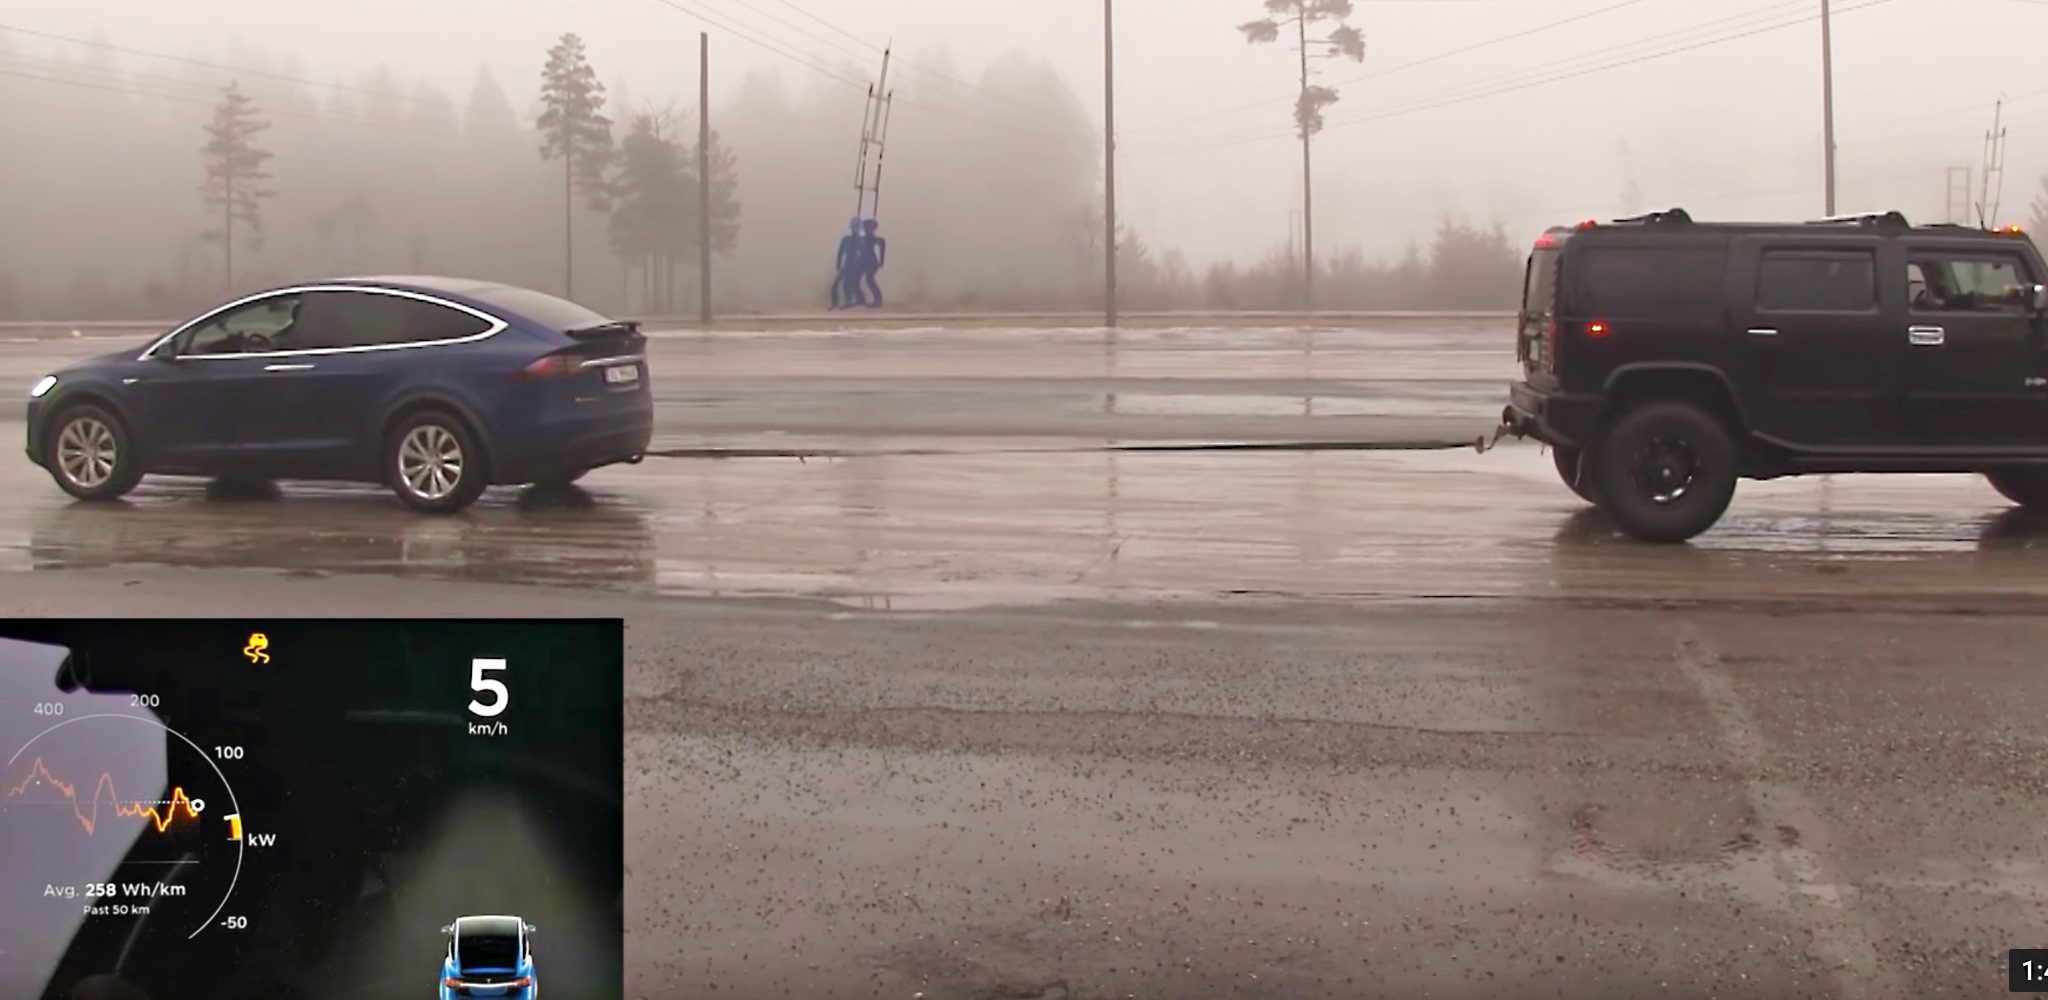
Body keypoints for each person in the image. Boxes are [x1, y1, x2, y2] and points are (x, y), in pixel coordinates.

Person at [830, 218, 865, 309]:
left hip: (856, 266)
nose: (854, 228)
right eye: (853, 226)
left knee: (849, 284)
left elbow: (865, 255)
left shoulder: (862, 240)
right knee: (836, 284)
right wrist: (838, 264)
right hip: (847, 264)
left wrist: (862, 267)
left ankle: (850, 301)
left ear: (860, 227)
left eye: (857, 226)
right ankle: (835, 303)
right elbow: (840, 252)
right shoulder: (846, 239)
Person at [858, 218, 887, 309]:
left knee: (869, 280)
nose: (866, 230)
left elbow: (882, 251)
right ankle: (872, 300)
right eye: (865, 228)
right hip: (864, 261)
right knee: (864, 280)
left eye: (868, 228)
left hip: (871, 262)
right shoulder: (863, 239)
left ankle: (878, 301)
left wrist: (881, 261)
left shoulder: (876, 240)